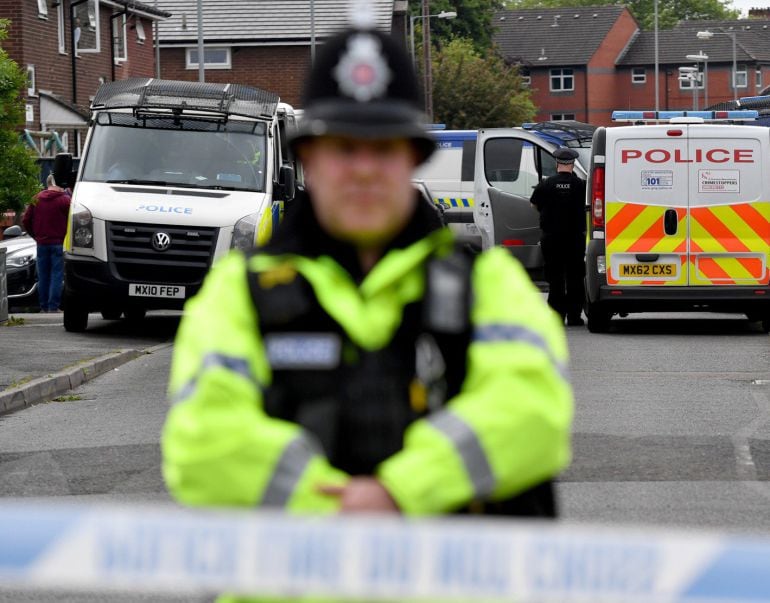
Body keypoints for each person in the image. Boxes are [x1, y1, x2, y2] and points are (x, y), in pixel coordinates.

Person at [161, 26, 573, 598]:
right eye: (342, 147)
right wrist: (341, 509)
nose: (362, 169)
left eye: (383, 149)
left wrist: (399, 493)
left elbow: (532, 415)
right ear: (307, 158)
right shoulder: (239, 290)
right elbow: (202, 441)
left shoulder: (488, 282)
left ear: (413, 160)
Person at [530, 146, 588, 326]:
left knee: (554, 277)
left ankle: (556, 317)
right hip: (575, 238)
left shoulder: (546, 184)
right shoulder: (581, 185)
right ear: (572, 164)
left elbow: (533, 204)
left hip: (552, 238)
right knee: (575, 277)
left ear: (557, 163)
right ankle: (574, 317)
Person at [22, 174, 71, 313]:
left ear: (47, 183)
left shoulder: (36, 199)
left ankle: (43, 306)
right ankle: (53, 307)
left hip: (41, 243)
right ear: (59, 185)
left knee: (43, 276)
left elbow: (26, 220)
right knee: (57, 275)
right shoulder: (65, 200)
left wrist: (35, 235)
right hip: (58, 243)